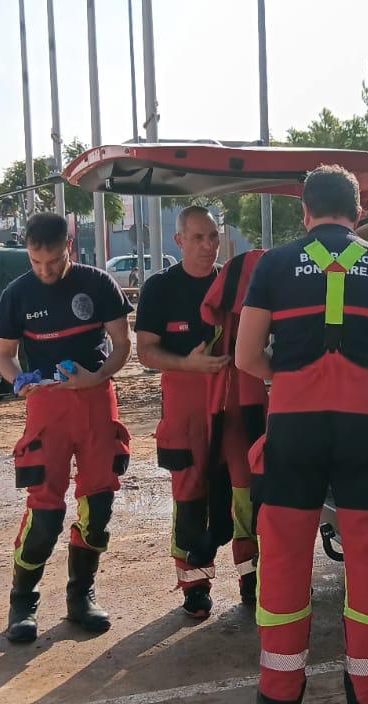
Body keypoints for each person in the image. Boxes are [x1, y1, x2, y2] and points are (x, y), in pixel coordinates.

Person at [237, 165, 368, 704]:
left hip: (294, 426)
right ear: (358, 212)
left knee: (284, 549)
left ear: (305, 212)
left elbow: (247, 356)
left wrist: (289, 374)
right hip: (365, 426)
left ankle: (279, 694)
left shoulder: (273, 265)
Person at [0, 212, 134, 644]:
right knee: (45, 512)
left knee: (98, 506)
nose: (45, 270)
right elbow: (4, 355)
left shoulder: (98, 284)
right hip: (47, 408)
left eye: (53, 261)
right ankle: (23, 602)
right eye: (36, 261)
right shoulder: (17, 294)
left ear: (68, 247)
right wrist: (17, 380)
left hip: (95, 402)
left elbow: (122, 344)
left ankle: (80, 596)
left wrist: (97, 376)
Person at [135, 206, 254, 618]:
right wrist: (189, 363)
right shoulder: (161, 288)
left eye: (214, 237)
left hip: (234, 403)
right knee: (190, 495)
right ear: (179, 240)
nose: (208, 246)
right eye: (199, 237)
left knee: (246, 491)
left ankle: (252, 576)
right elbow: (146, 351)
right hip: (186, 408)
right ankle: (195, 585)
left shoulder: (233, 286)